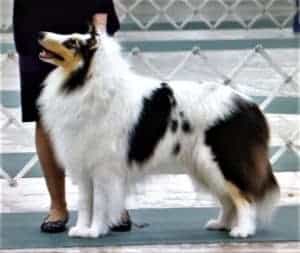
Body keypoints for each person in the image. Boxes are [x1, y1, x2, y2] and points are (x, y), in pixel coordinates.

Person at [13, 0, 131, 233]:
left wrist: (100, 23)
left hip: (82, 21)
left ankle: (112, 205)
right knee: (44, 119)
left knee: (103, 119)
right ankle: (57, 206)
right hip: (35, 22)